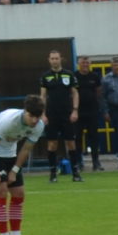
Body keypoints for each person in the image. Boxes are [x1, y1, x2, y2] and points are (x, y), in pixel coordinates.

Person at [0, 94, 45, 235]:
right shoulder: (9, 122)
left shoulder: (39, 125)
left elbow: (26, 149)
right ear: (25, 111)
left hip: (10, 153)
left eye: (37, 117)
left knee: (19, 193)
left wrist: (14, 171)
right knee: (1, 191)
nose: (34, 120)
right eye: (31, 116)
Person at [38, 49, 82, 180]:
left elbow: (75, 93)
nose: (54, 61)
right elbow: (43, 96)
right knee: (52, 143)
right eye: (52, 58)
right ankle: (53, 173)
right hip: (52, 114)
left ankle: (75, 173)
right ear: (49, 60)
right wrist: (43, 114)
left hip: (67, 113)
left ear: (60, 59)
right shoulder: (45, 76)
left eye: (56, 58)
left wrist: (75, 110)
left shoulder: (69, 74)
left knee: (71, 142)